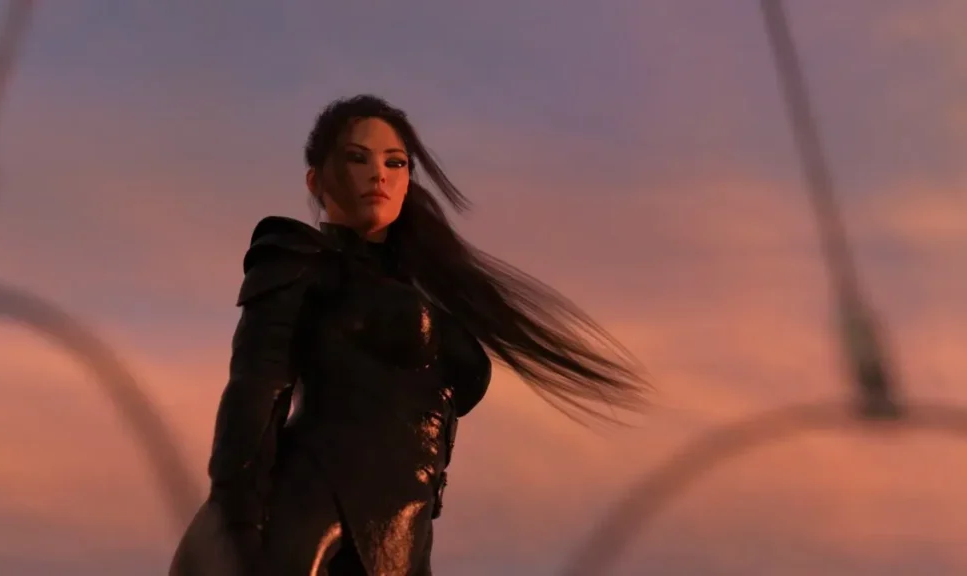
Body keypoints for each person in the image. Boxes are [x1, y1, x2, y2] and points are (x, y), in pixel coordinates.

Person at [169, 95, 649, 576]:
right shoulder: (299, 258)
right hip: (311, 510)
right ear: (316, 181)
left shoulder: (428, 286)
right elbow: (256, 389)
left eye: (394, 162)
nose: (378, 174)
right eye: (357, 158)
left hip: (405, 535)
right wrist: (237, 525)